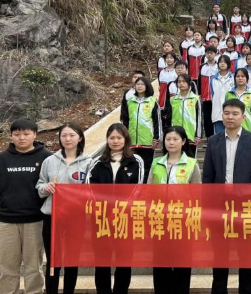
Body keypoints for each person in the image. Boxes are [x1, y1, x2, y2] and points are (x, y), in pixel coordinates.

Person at [202, 99, 251, 294]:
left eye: (235, 113)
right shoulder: (213, 141)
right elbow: (208, 177)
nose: (230, 117)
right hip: (219, 208)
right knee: (219, 256)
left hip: (245, 208)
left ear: (243, 117)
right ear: (222, 116)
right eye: (227, 113)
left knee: (246, 256)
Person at [87, 123, 144, 294]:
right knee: (102, 261)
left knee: (124, 261)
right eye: (112, 138)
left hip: (126, 219)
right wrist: (106, 207)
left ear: (125, 139)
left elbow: (138, 187)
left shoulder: (136, 161)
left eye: (119, 137)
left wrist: (121, 208)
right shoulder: (97, 162)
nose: (115, 141)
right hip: (102, 218)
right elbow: (90, 186)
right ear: (107, 140)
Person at [36, 122, 92, 294]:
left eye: (72, 135)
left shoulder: (89, 162)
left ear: (80, 137)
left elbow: (92, 191)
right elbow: (39, 186)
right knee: (53, 260)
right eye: (64, 135)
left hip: (76, 218)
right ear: (60, 138)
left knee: (72, 260)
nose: (68, 139)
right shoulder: (49, 161)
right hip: (52, 217)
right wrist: (46, 188)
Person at [0, 119, 52, 294]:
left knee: (33, 267)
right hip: (6, 221)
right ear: (11, 136)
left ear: (35, 135)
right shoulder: (2, 159)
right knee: (7, 268)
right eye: (17, 134)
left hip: (35, 221)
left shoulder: (46, 158)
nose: (21, 138)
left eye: (26, 134)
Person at [148, 126, 201, 294]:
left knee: (182, 266)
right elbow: (148, 190)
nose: (171, 142)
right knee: (160, 265)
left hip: (182, 222)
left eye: (175, 139)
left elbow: (197, 195)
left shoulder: (192, 164)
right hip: (159, 221)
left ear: (183, 141)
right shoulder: (157, 163)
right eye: (168, 139)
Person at [120, 76, 160, 181]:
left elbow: (157, 121)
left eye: (142, 84)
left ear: (147, 86)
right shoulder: (130, 101)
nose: (139, 86)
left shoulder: (152, 101)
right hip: (132, 140)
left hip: (147, 140)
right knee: (131, 166)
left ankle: (145, 189)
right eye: (137, 84)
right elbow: (125, 120)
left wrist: (156, 138)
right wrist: (125, 137)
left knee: (146, 167)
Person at [165, 74, 202, 158]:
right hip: (176, 135)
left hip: (191, 135)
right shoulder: (173, 99)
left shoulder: (195, 98)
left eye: (184, 82)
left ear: (189, 83)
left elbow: (199, 117)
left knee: (190, 160)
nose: (181, 84)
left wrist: (198, 135)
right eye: (179, 82)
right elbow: (169, 118)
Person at [226, 68, 251, 133]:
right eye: (238, 76)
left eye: (243, 76)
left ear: (247, 78)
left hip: (247, 127)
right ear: (235, 78)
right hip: (232, 128)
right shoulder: (229, 93)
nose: (240, 78)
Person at [210, 55, 235, 135]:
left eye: (224, 62)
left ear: (228, 64)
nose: (222, 64)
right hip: (217, 112)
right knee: (219, 137)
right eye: (220, 62)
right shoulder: (213, 79)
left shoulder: (233, 78)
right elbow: (213, 94)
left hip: (231, 112)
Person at [199, 46, 219, 138]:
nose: (209, 54)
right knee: (207, 118)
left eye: (211, 53)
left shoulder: (218, 66)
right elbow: (199, 82)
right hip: (205, 97)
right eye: (207, 53)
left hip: (216, 96)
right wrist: (200, 94)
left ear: (215, 54)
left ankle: (217, 136)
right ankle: (209, 138)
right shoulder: (202, 66)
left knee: (217, 116)